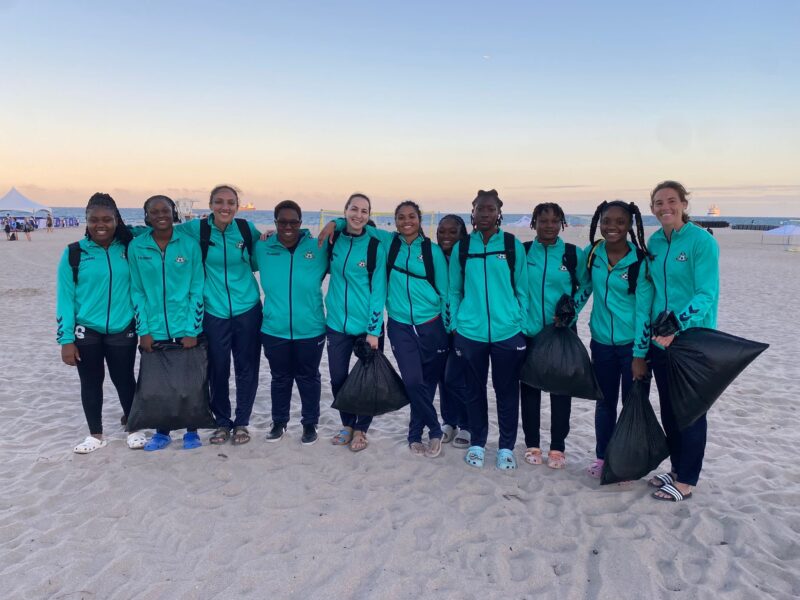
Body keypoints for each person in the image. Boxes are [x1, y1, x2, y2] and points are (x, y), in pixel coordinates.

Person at [645, 181, 719, 502]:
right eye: (659, 203)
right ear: (652, 208)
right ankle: (676, 469)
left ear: (684, 204)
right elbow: (652, 290)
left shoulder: (702, 242)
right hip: (660, 339)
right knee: (670, 410)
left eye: (672, 201)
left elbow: (706, 293)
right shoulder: (655, 241)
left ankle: (687, 480)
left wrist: (679, 321)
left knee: (690, 411)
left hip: (692, 339)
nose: (665, 208)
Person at [56, 193, 142, 453]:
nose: (100, 224)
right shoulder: (74, 253)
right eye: (94, 220)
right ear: (86, 220)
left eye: (107, 219)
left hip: (122, 328)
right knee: (91, 382)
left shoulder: (129, 247)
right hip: (87, 330)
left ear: (117, 220)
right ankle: (95, 434)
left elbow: (161, 228)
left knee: (125, 380)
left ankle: (134, 428)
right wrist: (66, 340)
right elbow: (65, 298)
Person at [449, 189, 529, 470]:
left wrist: (519, 323)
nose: (484, 214)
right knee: (474, 390)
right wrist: (456, 324)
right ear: (472, 213)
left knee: (506, 391)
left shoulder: (510, 244)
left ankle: (506, 446)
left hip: (507, 332)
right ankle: (478, 442)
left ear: (498, 213)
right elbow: (454, 290)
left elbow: (522, 289)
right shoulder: (462, 247)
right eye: (479, 209)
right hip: (470, 333)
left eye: (490, 209)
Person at [176, 185, 261, 445]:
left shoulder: (247, 230)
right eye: (219, 202)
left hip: (248, 309)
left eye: (231, 202)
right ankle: (222, 423)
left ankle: (242, 423)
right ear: (211, 204)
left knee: (247, 369)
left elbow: (260, 258)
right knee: (218, 370)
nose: (226, 207)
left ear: (237, 205)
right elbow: (161, 228)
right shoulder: (196, 229)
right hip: (213, 312)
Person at [579, 201, 653, 478]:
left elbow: (644, 310)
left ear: (630, 225)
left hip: (632, 347)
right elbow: (585, 289)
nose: (612, 227)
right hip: (601, 343)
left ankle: (629, 462)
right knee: (605, 404)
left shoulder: (640, 261)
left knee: (632, 406)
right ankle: (603, 457)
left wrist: (639, 354)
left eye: (620, 222)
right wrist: (568, 315)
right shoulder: (593, 253)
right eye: (607, 221)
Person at [128, 195, 205, 451]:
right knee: (158, 385)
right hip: (154, 328)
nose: (160, 215)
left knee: (189, 382)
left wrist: (192, 329)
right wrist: (144, 330)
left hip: (186, 326)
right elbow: (137, 291)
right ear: (146, 216)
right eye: (154, 211)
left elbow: (197, 288)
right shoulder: (137, 247)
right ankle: (162, 432)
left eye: (165, 210)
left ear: (174, 213)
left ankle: (191, 431)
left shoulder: (189, 245)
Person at [521, 203, 590, 469]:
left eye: (554, 221)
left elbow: (586, 285)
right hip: (529, 331)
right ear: (534, 223)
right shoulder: (524, 251)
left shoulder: (573, 254)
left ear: (562, 223)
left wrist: (571, 310)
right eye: (543, 220)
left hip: (562, 330)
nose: (548, 225)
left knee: (561, 389)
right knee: (529, 388)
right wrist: (521, 318)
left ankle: (558, 447)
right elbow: (515, 287)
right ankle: (532, 444)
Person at [256, 201, 328, 445]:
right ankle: (279, 422)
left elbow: (357, 231)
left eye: (293, 221)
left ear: (301, 222)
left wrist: (336, 222)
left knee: (309, 377)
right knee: (280, 378)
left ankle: (310, 424)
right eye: (282, 222)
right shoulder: (262, 247)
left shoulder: (319, 246)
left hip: (311, 328)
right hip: (274, 328)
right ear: (275, 223)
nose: (288, 226)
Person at [322, 193, 387, 452]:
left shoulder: (374, 245)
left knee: (367, 382)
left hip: (366, 327)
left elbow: (378, 291)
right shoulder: (334, 238)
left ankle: (362, 428)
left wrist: (373, 331)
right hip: (337, 324)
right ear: (345, 210)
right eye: (354, 209)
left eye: (364, 211)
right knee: (338, 379)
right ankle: (347, 424)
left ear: (369, 215)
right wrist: (335, 224)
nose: (358, 215)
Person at [435, 214, 471, 448]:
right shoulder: (433, 256)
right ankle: (449, 421)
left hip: (464, 327)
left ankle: (467, 425)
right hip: (437, 326)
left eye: (452, 232)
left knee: (458, 377)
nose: (446, 237)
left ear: (462, 234)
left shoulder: (469, 258)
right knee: (442, 378)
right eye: (442, 231)